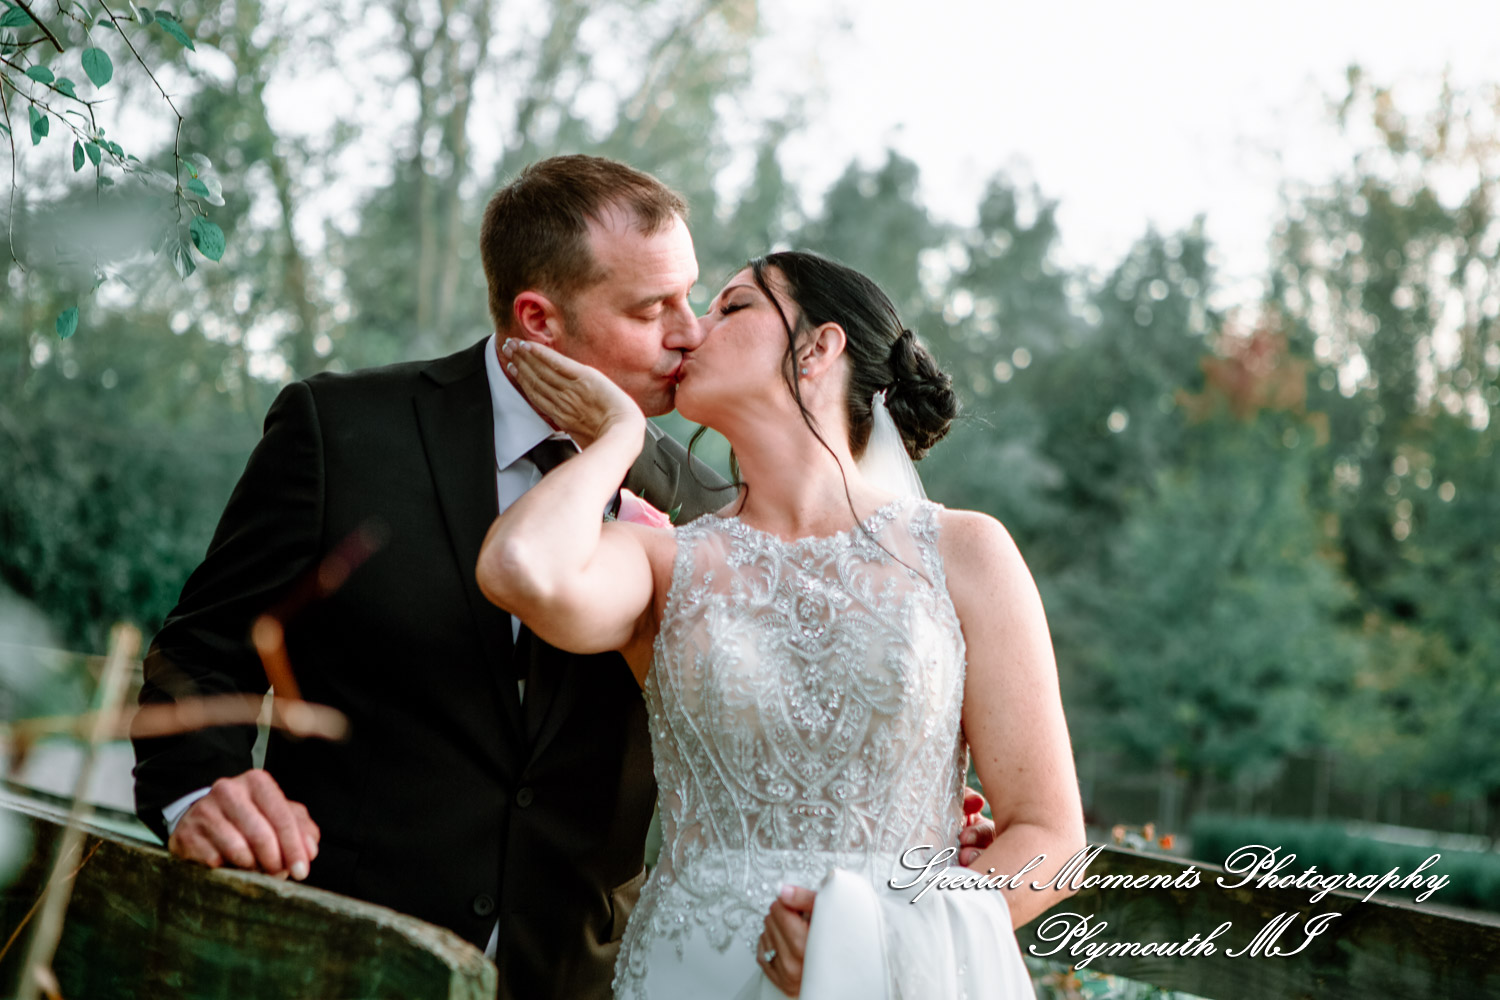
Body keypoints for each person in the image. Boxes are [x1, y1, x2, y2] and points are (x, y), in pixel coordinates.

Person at [131, 156, 995, 1000]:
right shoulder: (345, 431)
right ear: (539, 320)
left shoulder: (706, 508)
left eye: (694, 297)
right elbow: (199, 656)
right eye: (653, 307)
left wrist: (908, 822)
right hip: (334, 953)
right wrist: (199, 792)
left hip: (590, 976)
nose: (689, 330)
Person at [477, 250, 1088, 998]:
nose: (691, 332)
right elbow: (518, 568)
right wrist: (615, 439)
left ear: (819, 347)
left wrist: (873, 951)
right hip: (689, 975)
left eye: (731, 307)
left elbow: (1051, 844)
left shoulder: (966, 552)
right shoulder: (662, 564)